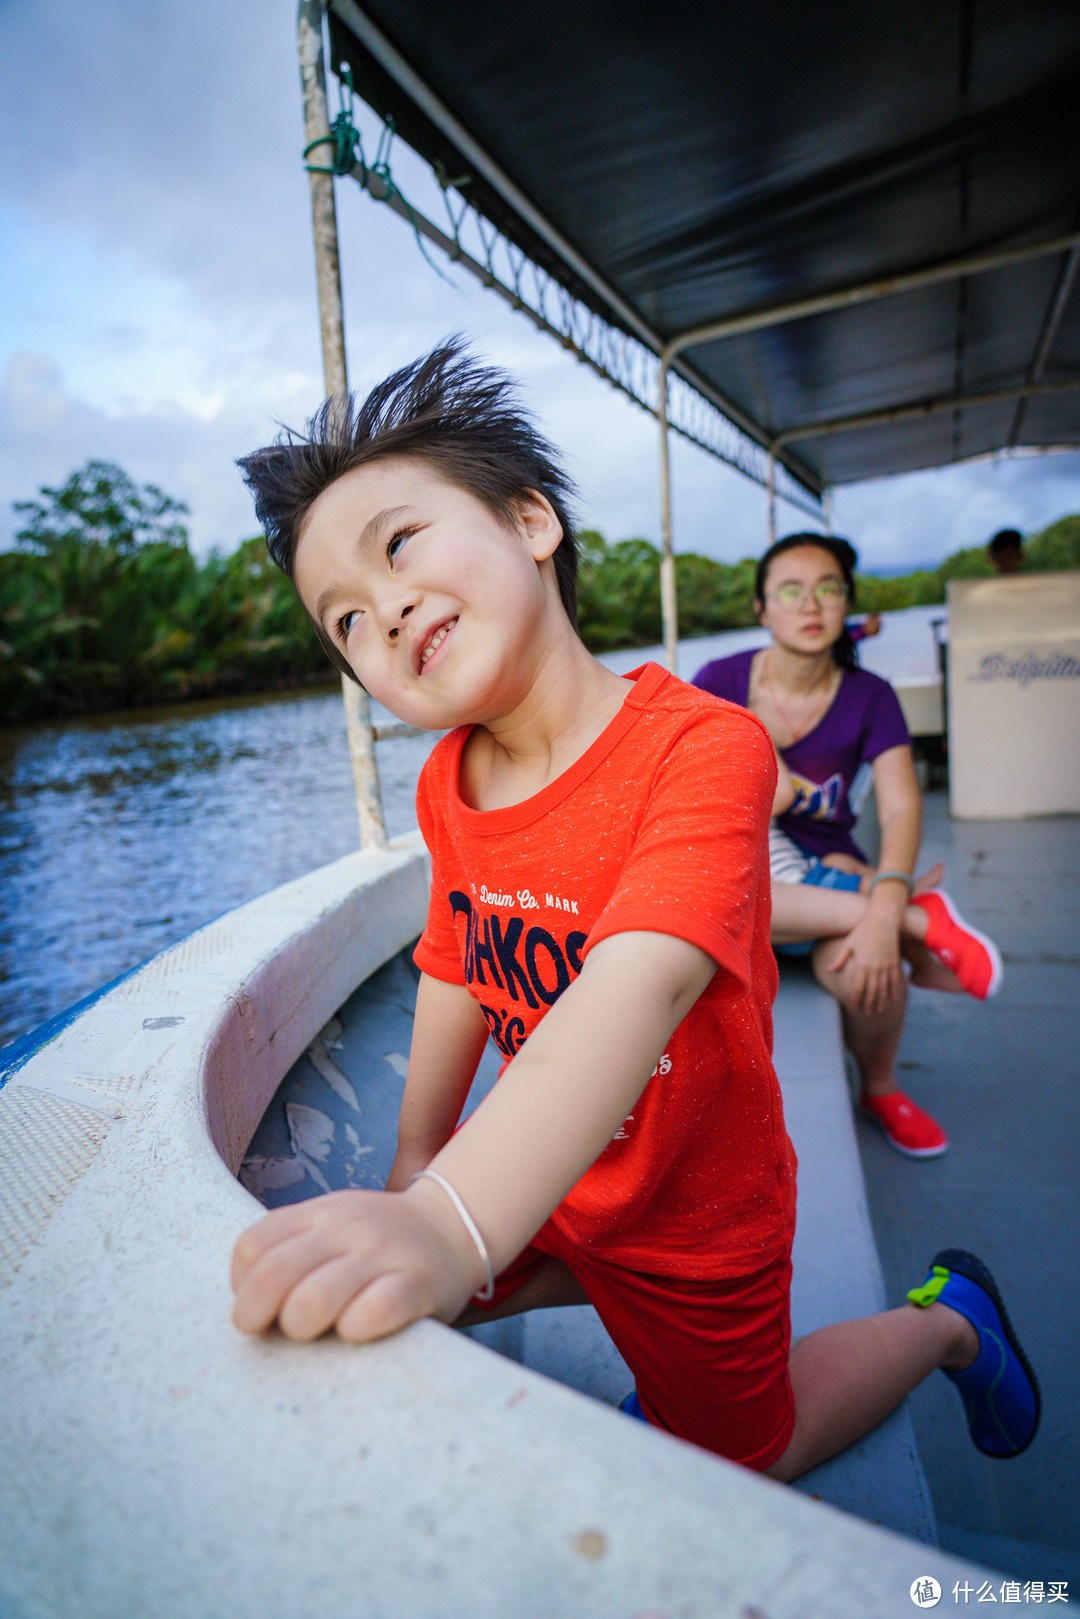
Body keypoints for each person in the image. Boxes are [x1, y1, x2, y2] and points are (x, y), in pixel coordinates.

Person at [229, 343, 1037, 1480]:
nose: (386, 607)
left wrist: (454, 1222)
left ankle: (948, 1318)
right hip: (552, 1181)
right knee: (381, 1301)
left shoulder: (702, 749)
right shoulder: (443, 781)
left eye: (399, 544)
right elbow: (458, 961)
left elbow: (639, 979)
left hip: (694, 1210)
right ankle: (573, 1264)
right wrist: (419, 1165)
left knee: (753, 1448)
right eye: (347, 620)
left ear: (529, 520)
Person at [693, 533, 1002, 1159]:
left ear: (847, 604)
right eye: (790, 591)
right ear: (761, 608)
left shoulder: (871, 696)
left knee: (870, 969)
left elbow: (900, 803)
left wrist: (883, 892)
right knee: (727, 902)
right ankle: (921, 921)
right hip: (752, 869)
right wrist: (892, 907)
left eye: (828, 589)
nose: (811, 606)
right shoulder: (718, 680)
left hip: (828, 877)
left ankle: (881, 1088)